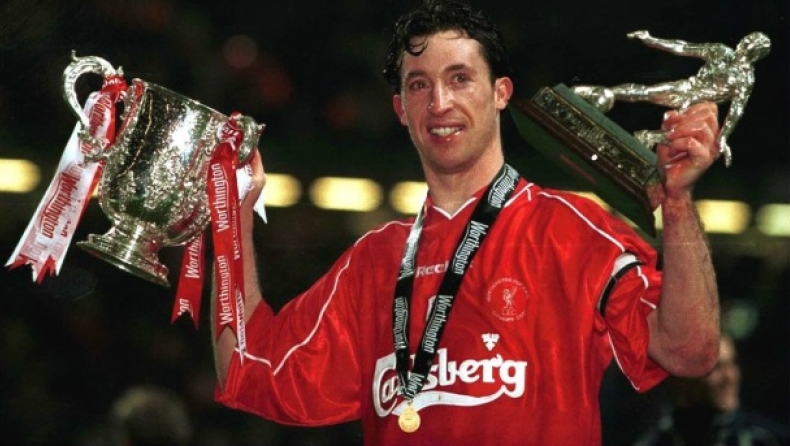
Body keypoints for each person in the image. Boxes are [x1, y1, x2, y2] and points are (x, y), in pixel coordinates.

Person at [211, 1, 722, 444]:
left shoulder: (573, 233)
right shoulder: (372, 263)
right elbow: (246, 370)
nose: (440, 103)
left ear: (500, 92)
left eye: (460, 78)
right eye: (419, 85)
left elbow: (688, 352)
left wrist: (677, 204)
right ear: (401, 109)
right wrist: (231, 213)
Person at [572, 30, 771, 166]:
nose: (744, 44)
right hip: (686, 88)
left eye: (750, 44)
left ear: (756, 53)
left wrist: (723, 137)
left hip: (701, 106)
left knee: (687, 135)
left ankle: (646, 139)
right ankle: (598, 94)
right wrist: (651, 40)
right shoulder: (721, 51)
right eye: (746, 40)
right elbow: (683, 47)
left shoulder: (745, 78)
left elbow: (737, 109)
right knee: (644, 92)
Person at [635, 335, 789, 446]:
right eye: (716, 368)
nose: (729, 377)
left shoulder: (768, 440)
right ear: (682, 380)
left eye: (732, 364)